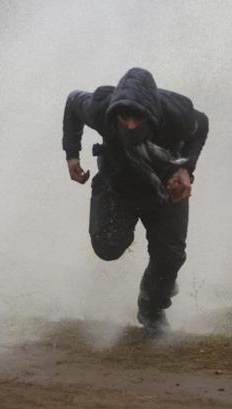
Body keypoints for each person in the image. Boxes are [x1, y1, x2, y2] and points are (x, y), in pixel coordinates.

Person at [62, 67, 209, 334]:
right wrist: (72, 154)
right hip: (117, 185)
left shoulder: (178, 116)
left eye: (137, 118)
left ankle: (151, 307)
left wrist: (186, 167)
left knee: (170, 258)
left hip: (166, 188)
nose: (130, 125)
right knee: (107, 247)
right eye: (124, 118)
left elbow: (202, 126)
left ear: (151, 114)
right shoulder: (100, 109)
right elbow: (73, 102)